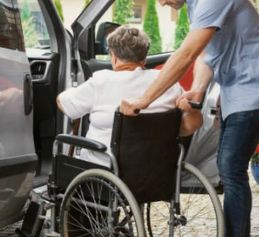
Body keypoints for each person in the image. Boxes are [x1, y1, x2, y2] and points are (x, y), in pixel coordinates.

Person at [120, 1, 259, 237]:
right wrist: (198, 89)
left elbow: (187, 53)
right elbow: (208, 54)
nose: (160, 1)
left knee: (231, 171)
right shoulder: (196, 5)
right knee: (231, 170)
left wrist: (144, 99)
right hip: (241, 90)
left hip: (254, 90)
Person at [57, 25, 202, 167]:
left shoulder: (101, 82)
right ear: (144, 59)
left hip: (105, 172)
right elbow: (189, 126)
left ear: (113, 57)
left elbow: (64, 105)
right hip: (156, 172)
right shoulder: (168, 84)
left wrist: (70, 91)